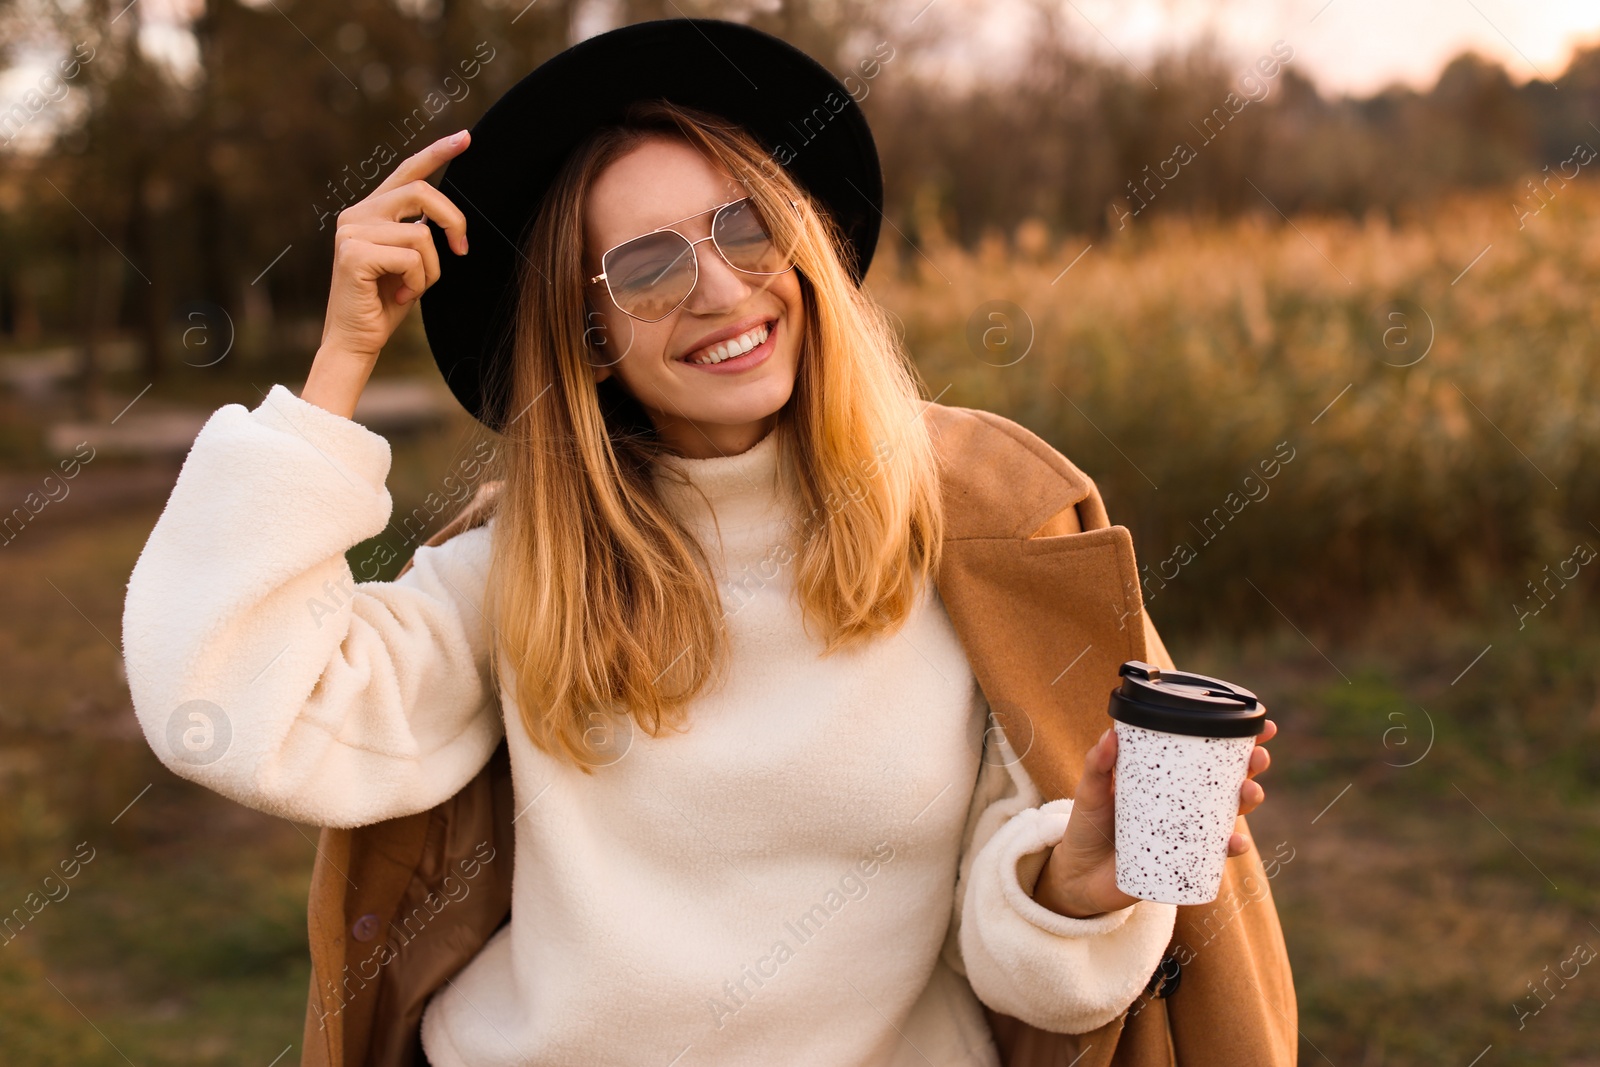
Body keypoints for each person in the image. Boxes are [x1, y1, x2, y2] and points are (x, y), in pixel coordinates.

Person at [122, 19, 1280, 1067]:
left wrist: (1073, 887)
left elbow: (1027, 973)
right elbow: (225, 704)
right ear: (586, 335)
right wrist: (340, 365)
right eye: (647, 265)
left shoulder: (972, 535)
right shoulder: (521, 569)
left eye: (745, 226)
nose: (722, 288)